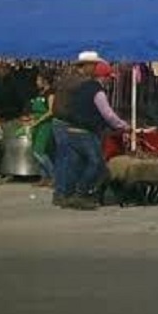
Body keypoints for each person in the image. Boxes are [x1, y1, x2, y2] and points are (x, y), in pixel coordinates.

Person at [58, 52, 129, 210]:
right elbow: (107, 114)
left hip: (71, 129)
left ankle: (66, 195)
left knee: (76, 164)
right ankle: (81, 193)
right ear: (103, 77)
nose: (110, 81)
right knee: (96, 164)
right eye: (109, 78)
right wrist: (123, 126)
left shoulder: (81, 86)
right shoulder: (97, 91)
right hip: (85, 131)